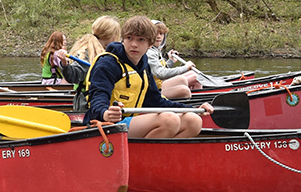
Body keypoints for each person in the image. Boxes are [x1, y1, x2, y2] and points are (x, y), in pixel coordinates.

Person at [81, 15, 211, 138]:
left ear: (150, 44)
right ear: (123, 40)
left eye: (141, 40)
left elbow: (156, 101)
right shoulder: (108, 63)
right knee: (169, 120)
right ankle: (139, 158)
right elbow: (98, 98)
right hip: (102, 125)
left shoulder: (144, 66)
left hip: (127, 123)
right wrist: (106, 113)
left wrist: (193, 109)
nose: (134, 44)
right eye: (129, 38)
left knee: (193, 121)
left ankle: (157, 158)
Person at [147, 20, 201, 99]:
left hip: (160, 83)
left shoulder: (156, 50)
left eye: (161, 34)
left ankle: (198, 98)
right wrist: (185, 67)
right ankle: (195, 102)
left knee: (194, 75)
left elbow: (159, 70)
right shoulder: (149, 52)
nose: (158, 36)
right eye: (155, 33)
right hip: (154, 88)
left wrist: (171, 61)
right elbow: (161, 74)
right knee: (185, 81)